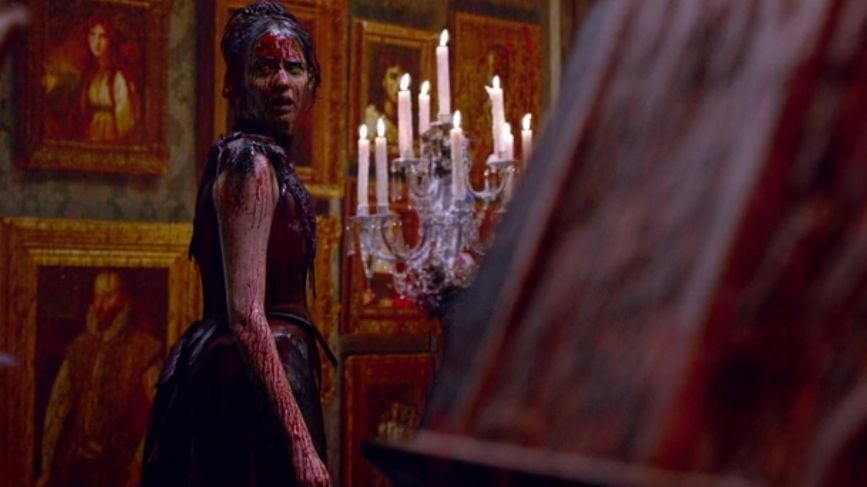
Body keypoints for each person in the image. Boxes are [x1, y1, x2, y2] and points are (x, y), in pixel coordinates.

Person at [142, 2, 333, 486]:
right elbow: (247, 316)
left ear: (311, 83)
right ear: (234, 83)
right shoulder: (251, 164)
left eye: (294, 68)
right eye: (265, 67)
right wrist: (300, 442)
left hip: (260, 375)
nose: (282, 82)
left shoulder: (267, 162)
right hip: (244, 388)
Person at [37, 270, 162, 487]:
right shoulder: (79, 348)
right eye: (97, 296)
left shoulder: (144, 348)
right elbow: (57, 408)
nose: (101, 304)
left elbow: (161, 411)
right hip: (74, 463)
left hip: (118, 465)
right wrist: (47, 467)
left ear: (124, 299)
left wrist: (138, 466)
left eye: (108, 296)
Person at [73, 16, 139, 142]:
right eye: (92, 35)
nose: (96, 42)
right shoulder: (91, 75)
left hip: (111, 138)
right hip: (91, 137)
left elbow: (126, 121)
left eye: (102, 36)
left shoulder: (119, 78)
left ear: (111, 41)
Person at [364, 50, 406, 157]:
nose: (399, 84)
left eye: (402, 78)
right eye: (393, 77)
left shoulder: (409, 120)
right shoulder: (371, 118)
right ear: (383, 81)